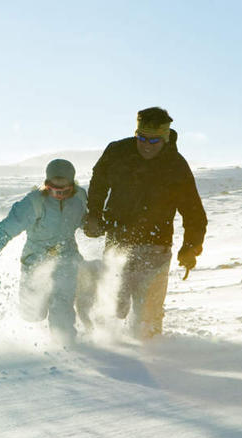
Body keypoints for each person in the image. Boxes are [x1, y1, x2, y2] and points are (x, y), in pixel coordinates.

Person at [84, 107, 207, 339]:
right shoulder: (118, 152)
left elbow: (194, 212)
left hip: (156, 246)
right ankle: (103, 350)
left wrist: (191, 247)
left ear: (165, 137)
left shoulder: (176, 166)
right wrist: (94, 215)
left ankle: (150, 357)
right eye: (142, 138)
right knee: (114, 307)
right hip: (118, 241)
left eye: (154, 140)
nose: (147, 145)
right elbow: (98, 182)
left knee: (147, 315)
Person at [0, 159, 87, 343]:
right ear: (46, 184)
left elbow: (85, 220)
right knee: (32, 314)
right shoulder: (34, 203)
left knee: (62, 302)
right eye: (53, 189)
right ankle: (36, 340)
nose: (58, 195)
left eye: (64, 191)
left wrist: (93, 226)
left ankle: (65, 345)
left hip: (67, 258)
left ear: (72, 186)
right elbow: (5, 230)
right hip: (35, 261)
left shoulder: (79, 198)